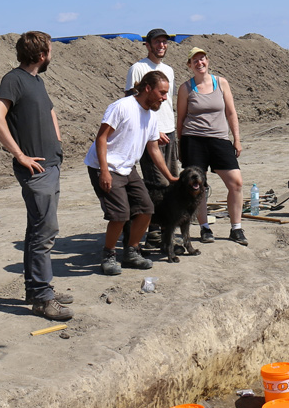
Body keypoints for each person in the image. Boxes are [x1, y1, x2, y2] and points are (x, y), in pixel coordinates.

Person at [0, 31, 73, 320]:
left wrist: (58, 144)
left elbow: (49, 111)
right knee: (44, 232)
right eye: (50, 50)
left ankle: (36, 289)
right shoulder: (14, 79)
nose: (52, 55)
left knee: (37, 230)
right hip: (35, 171)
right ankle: (42, 299)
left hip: (50, 165)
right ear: (41, 55)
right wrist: (20, 155)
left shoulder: (37, 81)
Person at [86, 72, 177, 276]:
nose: (164, 98)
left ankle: (131, 251)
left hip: (127, 167)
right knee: (120, 214)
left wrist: (170, 177)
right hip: (105, 166)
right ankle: (108, 255)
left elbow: (153, 149)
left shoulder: (151, 116)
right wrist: (104, 171)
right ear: (147, 88)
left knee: (146, 208)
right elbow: (101, 138)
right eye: (161, 93)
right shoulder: (122, 107)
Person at [176, 47, 246, 245]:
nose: (200, 63)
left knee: (236, 182)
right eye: (195, 61)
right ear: (189, 65)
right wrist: (181, 146)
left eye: (202, 59)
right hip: (193, 140)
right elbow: (180, 119)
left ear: (208, 61)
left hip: (219, 140)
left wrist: (237, 139)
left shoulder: (221, 83)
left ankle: (236, 228)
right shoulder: (185, 88)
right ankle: (205, 228)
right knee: (198, 187)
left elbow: (231, 113)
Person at [125, 28, 179, 252]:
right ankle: (153, 233)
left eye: (164, 42)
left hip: (170, 130)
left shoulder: (169, 70)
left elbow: (166, 102)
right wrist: (152, 131)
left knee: (171, 182)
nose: (161, 46)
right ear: (147, 45)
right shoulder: (138, 68)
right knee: (157, 183)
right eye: (157, 42)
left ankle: (164, 228)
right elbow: (132, 100)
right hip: (150, 134)